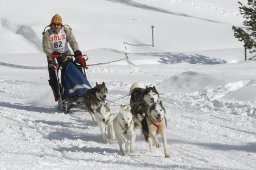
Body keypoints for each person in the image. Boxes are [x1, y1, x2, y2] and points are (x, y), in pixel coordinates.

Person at [42, 14, 87, 102]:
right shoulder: (47, 34)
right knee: (53, 77)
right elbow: (46, 48)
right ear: (51, 25)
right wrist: (53, 54)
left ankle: (79, 92)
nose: (56, 26)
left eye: (58, 24)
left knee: (73, 70)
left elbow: (73, 42)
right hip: (53, 56)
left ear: (61, 25)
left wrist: (77, 52)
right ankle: (59, 96)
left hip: (65, 54)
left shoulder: (66, 30)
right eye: (54, 24)